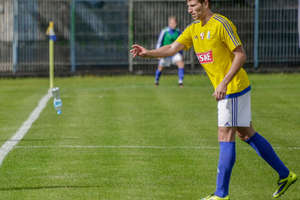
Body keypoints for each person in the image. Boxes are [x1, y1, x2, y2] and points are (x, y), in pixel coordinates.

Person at [130, 0, 297, 199]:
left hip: (232, 88)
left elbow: (240, 55)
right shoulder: (193, 29)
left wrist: (224, 82)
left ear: (206, 3)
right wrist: (147, 53)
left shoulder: (221, 24)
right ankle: (286, 175)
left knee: (225, 134)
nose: (189, 9)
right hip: (229, 89)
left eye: (193, 5)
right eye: (188, 6)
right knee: (245, 133)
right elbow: (173, 48)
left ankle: (221, 194)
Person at [155, 16, 185, 87]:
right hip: (165, 53)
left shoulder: (178, 32)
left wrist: (181, 53)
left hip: (174, 53)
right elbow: (159, 42)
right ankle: (156, 81)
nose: (172, 24)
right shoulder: (164, 31)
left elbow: (181, 43)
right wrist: (157, 53)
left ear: (176, 23)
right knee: (160, 67)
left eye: (174, 23)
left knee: (181, 63)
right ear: (168, 23)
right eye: (171, 23)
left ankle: (180, 82)